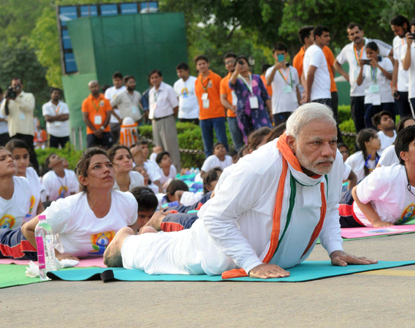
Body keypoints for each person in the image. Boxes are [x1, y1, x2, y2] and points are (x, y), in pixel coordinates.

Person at [103, 103, 375, 278]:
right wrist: (251, 263)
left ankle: (148, 234)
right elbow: (214, 219)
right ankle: (127, 240)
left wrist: (335, 250)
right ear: (291, 141)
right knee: (153, 256)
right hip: (215, 253)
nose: (327, 151)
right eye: (317, 143)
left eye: (332, 141)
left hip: (284, 263)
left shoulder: (332, 161)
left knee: (164, 244)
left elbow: (326, 210)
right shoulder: (260, 166)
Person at [20, 148, 138, 260]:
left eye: (109, 165)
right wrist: (55, 255)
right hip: (25, 244)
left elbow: (131, 230)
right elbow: (28, 228)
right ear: (84, 180)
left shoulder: (128, 201)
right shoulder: (67, 208)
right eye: (97, 167)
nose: (106, 170)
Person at [347, 125, 415, 227]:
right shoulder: (387, 176)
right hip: (349, 212)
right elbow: (356, 192)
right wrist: (376, 221)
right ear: (404, 155)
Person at [335, 23, 393, 132]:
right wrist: (347, 76)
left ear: (362, 32)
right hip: (356, 92)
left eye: (357, 32)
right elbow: (336, 63)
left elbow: (392, 53)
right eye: (352, 34)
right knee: (359, 125)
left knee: (378, 126)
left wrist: (386, 65)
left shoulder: (374, 43)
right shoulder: (347, 49)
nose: (355, 35)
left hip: (377, 94)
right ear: (349, 37)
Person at [0, 147, 34, 259]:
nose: (10, 160)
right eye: (2, 159)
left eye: (11, 157)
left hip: (13, 241)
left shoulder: (24, 184)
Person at [228, 56, 272, 141]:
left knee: (266, 134)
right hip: (245, 114)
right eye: (238, 64)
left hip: (260, 112)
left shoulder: (257, 78)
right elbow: (230, 84)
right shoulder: (236, 79)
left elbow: (265, 95)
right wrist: (236, 71)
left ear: (248, 65)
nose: (241, 65)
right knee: (251, 138)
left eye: (243, 63)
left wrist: (271, 110)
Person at [194, 55, 229, 157]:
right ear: (197, 67)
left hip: (217, 114)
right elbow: (198, 98)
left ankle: (226, 163)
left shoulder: (216, 78)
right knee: (207, 145)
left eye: (204, 63)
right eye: (199, 64)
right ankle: (210, 168)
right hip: (204, 116)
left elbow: (222, 95)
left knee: (222, 141)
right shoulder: (197, 81)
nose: (202, 66)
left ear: (208, 64)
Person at [148, 69, 181, 172]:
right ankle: (162, 173)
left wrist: (170, 118)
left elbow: (175, 106)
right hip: (155, 121)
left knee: (170, 148)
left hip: (167, 119)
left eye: (156, 77)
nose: (154, 79)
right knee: (158, 148)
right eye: (152, 78)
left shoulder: (168, 89)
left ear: (161, 78)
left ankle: (176, 171)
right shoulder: (151, 91)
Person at [1, 78, 38, 170]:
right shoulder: (9, 98)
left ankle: (35, 172)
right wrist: (6, 100)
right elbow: (4, 113)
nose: (16, 87)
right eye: (14, 85)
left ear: (22, 85)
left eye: (18, 85)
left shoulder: (28, 96)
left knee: (30, 153)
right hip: (13, 131)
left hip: (26, 130)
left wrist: (16, 99)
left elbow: (29, 107)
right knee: (14, 154)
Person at [357, 42, 394, 128]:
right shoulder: (366, 65)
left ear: (377, 51)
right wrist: (361, 68)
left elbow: (391, 77)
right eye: (367, 53)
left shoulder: (385, 61)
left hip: (385, 98)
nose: (369, 55)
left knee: (387, 125)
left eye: (371, 53)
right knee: (370, 124)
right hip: (370, 98)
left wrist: (377, 65)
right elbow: (359, 83)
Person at [6, 139, 43, 220]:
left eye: (25, 156)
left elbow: (39, 206)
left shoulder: (32, 173)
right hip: (16, 230)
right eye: (17, 158)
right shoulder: (7, 180)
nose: (22, 161)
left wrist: (41, 224)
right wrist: (27, 229)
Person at [266, 43, 301, 126]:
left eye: (282, 54)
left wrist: (300, 104)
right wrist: (275, 68)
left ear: (286, 54)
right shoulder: (271, 70)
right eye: (278, 54)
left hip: (293, 107)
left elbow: (296, 88)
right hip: (278, 108)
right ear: (274, 55)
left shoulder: (293, 70)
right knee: (280, 134)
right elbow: (268, 82)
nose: (280, 56)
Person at [220, 52, 245, 151]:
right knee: (238, 143)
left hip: (246, 113)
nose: (230, 64)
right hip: (232, 115)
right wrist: (232, 108)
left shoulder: (245, 76)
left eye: (232, 61)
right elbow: (223, 99)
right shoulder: (223, 81)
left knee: (251, 139)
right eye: (227, 62)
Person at [303, 26, 332, 106]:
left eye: (328, 36)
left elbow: (305, 75)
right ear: (317, 37)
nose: (328, 38)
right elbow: (310, 73)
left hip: (317, 97)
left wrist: (308, 93)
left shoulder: (310, 50)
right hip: (321, 97)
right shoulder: (317, 51)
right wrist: (308, 94)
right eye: (325, 36)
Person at [82, 80, 114, 149]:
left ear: (99, 87)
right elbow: (85, 118)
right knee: (91, 153)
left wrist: (101, 129)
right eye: (91, 87)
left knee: (109, 151)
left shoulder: (105, 100)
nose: (94, 88)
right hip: (91, 132)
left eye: (95, 86)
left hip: (105, 130)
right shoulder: (86, 102)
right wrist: (95, 131)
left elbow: (108, 116)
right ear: (89, 89)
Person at [104, 72, 125, 143]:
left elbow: (125, 105)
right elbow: (109, 106)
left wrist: (115, 106)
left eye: (118, 80)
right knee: (111, 142)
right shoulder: (109, 91)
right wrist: (118, 118)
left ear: (122, 81)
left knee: (123, 141)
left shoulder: (125, 90)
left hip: (124, 120)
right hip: (112, 120)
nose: (116, 82)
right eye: (115, 80)